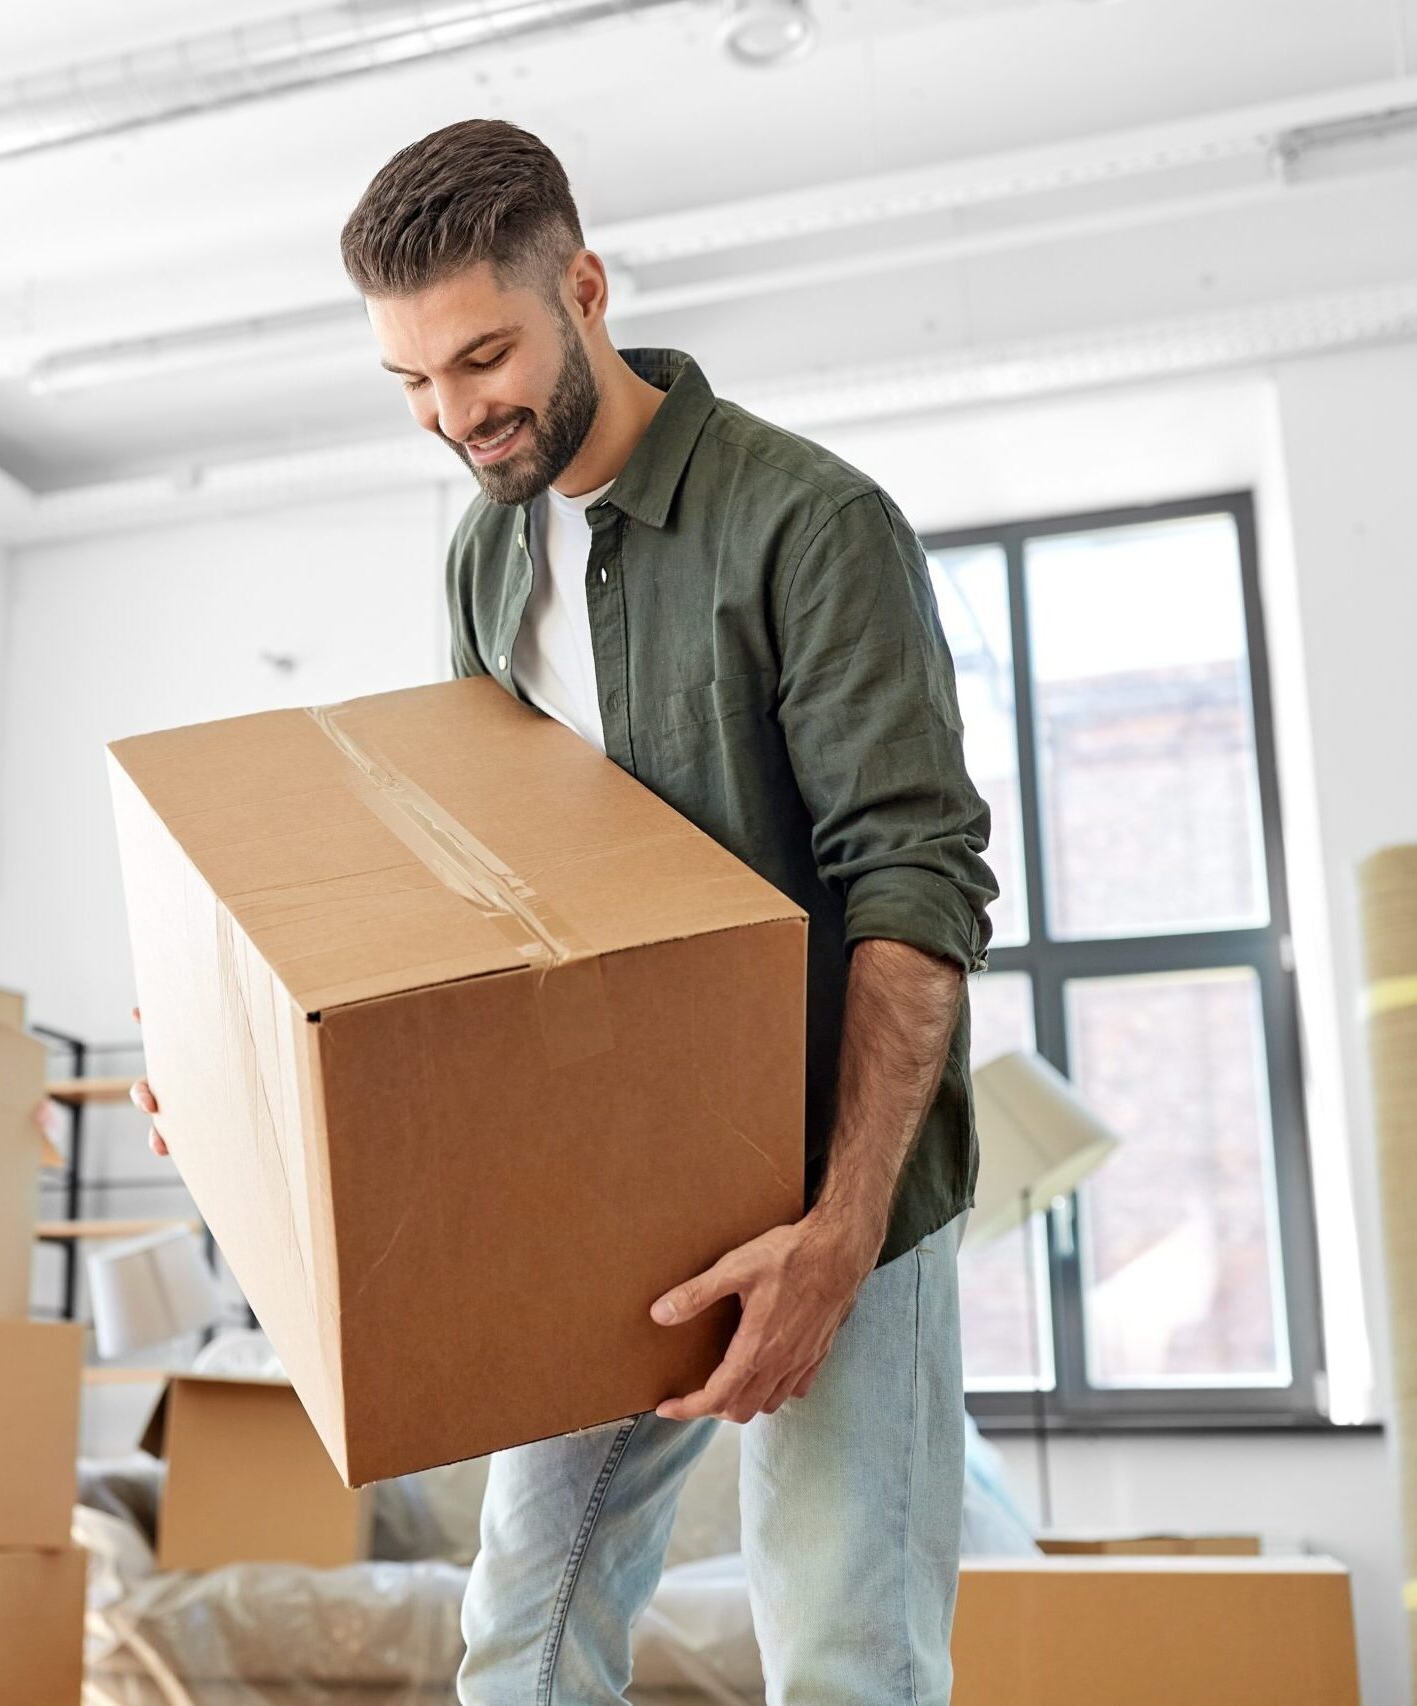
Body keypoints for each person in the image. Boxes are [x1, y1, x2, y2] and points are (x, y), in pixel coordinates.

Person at [137, 118, 996, 1706]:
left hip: (839, 1206)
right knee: (518, 1636)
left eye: (483, 356)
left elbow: (916, 889)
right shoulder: (482, 559)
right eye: (411, 382)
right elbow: (486, 927)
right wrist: (232, 1073)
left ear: (583, 287)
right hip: (608, 1191)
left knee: (845, 1661)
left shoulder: (809, 524)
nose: (456, 414)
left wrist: (840, 1231)